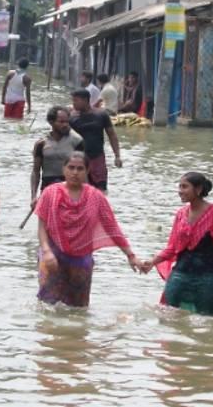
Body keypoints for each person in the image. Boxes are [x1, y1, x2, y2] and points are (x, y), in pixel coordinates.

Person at [34, 152, 141, 307]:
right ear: (64, 169)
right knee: (47, 305)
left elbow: (112, 229)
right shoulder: (50, 193)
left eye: (80, 168)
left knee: (78, 309)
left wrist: (131, 255)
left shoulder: (96, 197)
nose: (75, 172)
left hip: (81, 259)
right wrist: (46, 251)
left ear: (87, 171)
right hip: (53, 255)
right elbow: (42, 226)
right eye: (71, 168)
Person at [140, 173, 213, 316]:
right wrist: (152, 262)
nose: (180, 191)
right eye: (179, 186)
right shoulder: (181, 214)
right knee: (167, 314)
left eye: (184, 186)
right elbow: (172, 247)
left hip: (209, 275)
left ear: (198, 189)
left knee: (207, 320)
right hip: (181, 272)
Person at [69, 89, 122, 192]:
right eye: (73, 101)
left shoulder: (101, 115)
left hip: (97, 158)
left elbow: (112, 135)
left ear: (85, 100)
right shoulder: (72, 118)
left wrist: (117, 156)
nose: (73, 103)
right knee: (80, 190)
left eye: (76, 100)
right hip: (79, 160)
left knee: (101, 189)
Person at [31, 106, 84, 206]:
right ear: (51, 122)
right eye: (61, 122)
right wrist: (33, 196)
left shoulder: (76, 141)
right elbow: (36, 171)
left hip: (70, 187)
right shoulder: (41, 144)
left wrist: (84, 194)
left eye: (67, 122)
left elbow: (84, 169)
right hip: (48, 187)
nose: (65, 125)